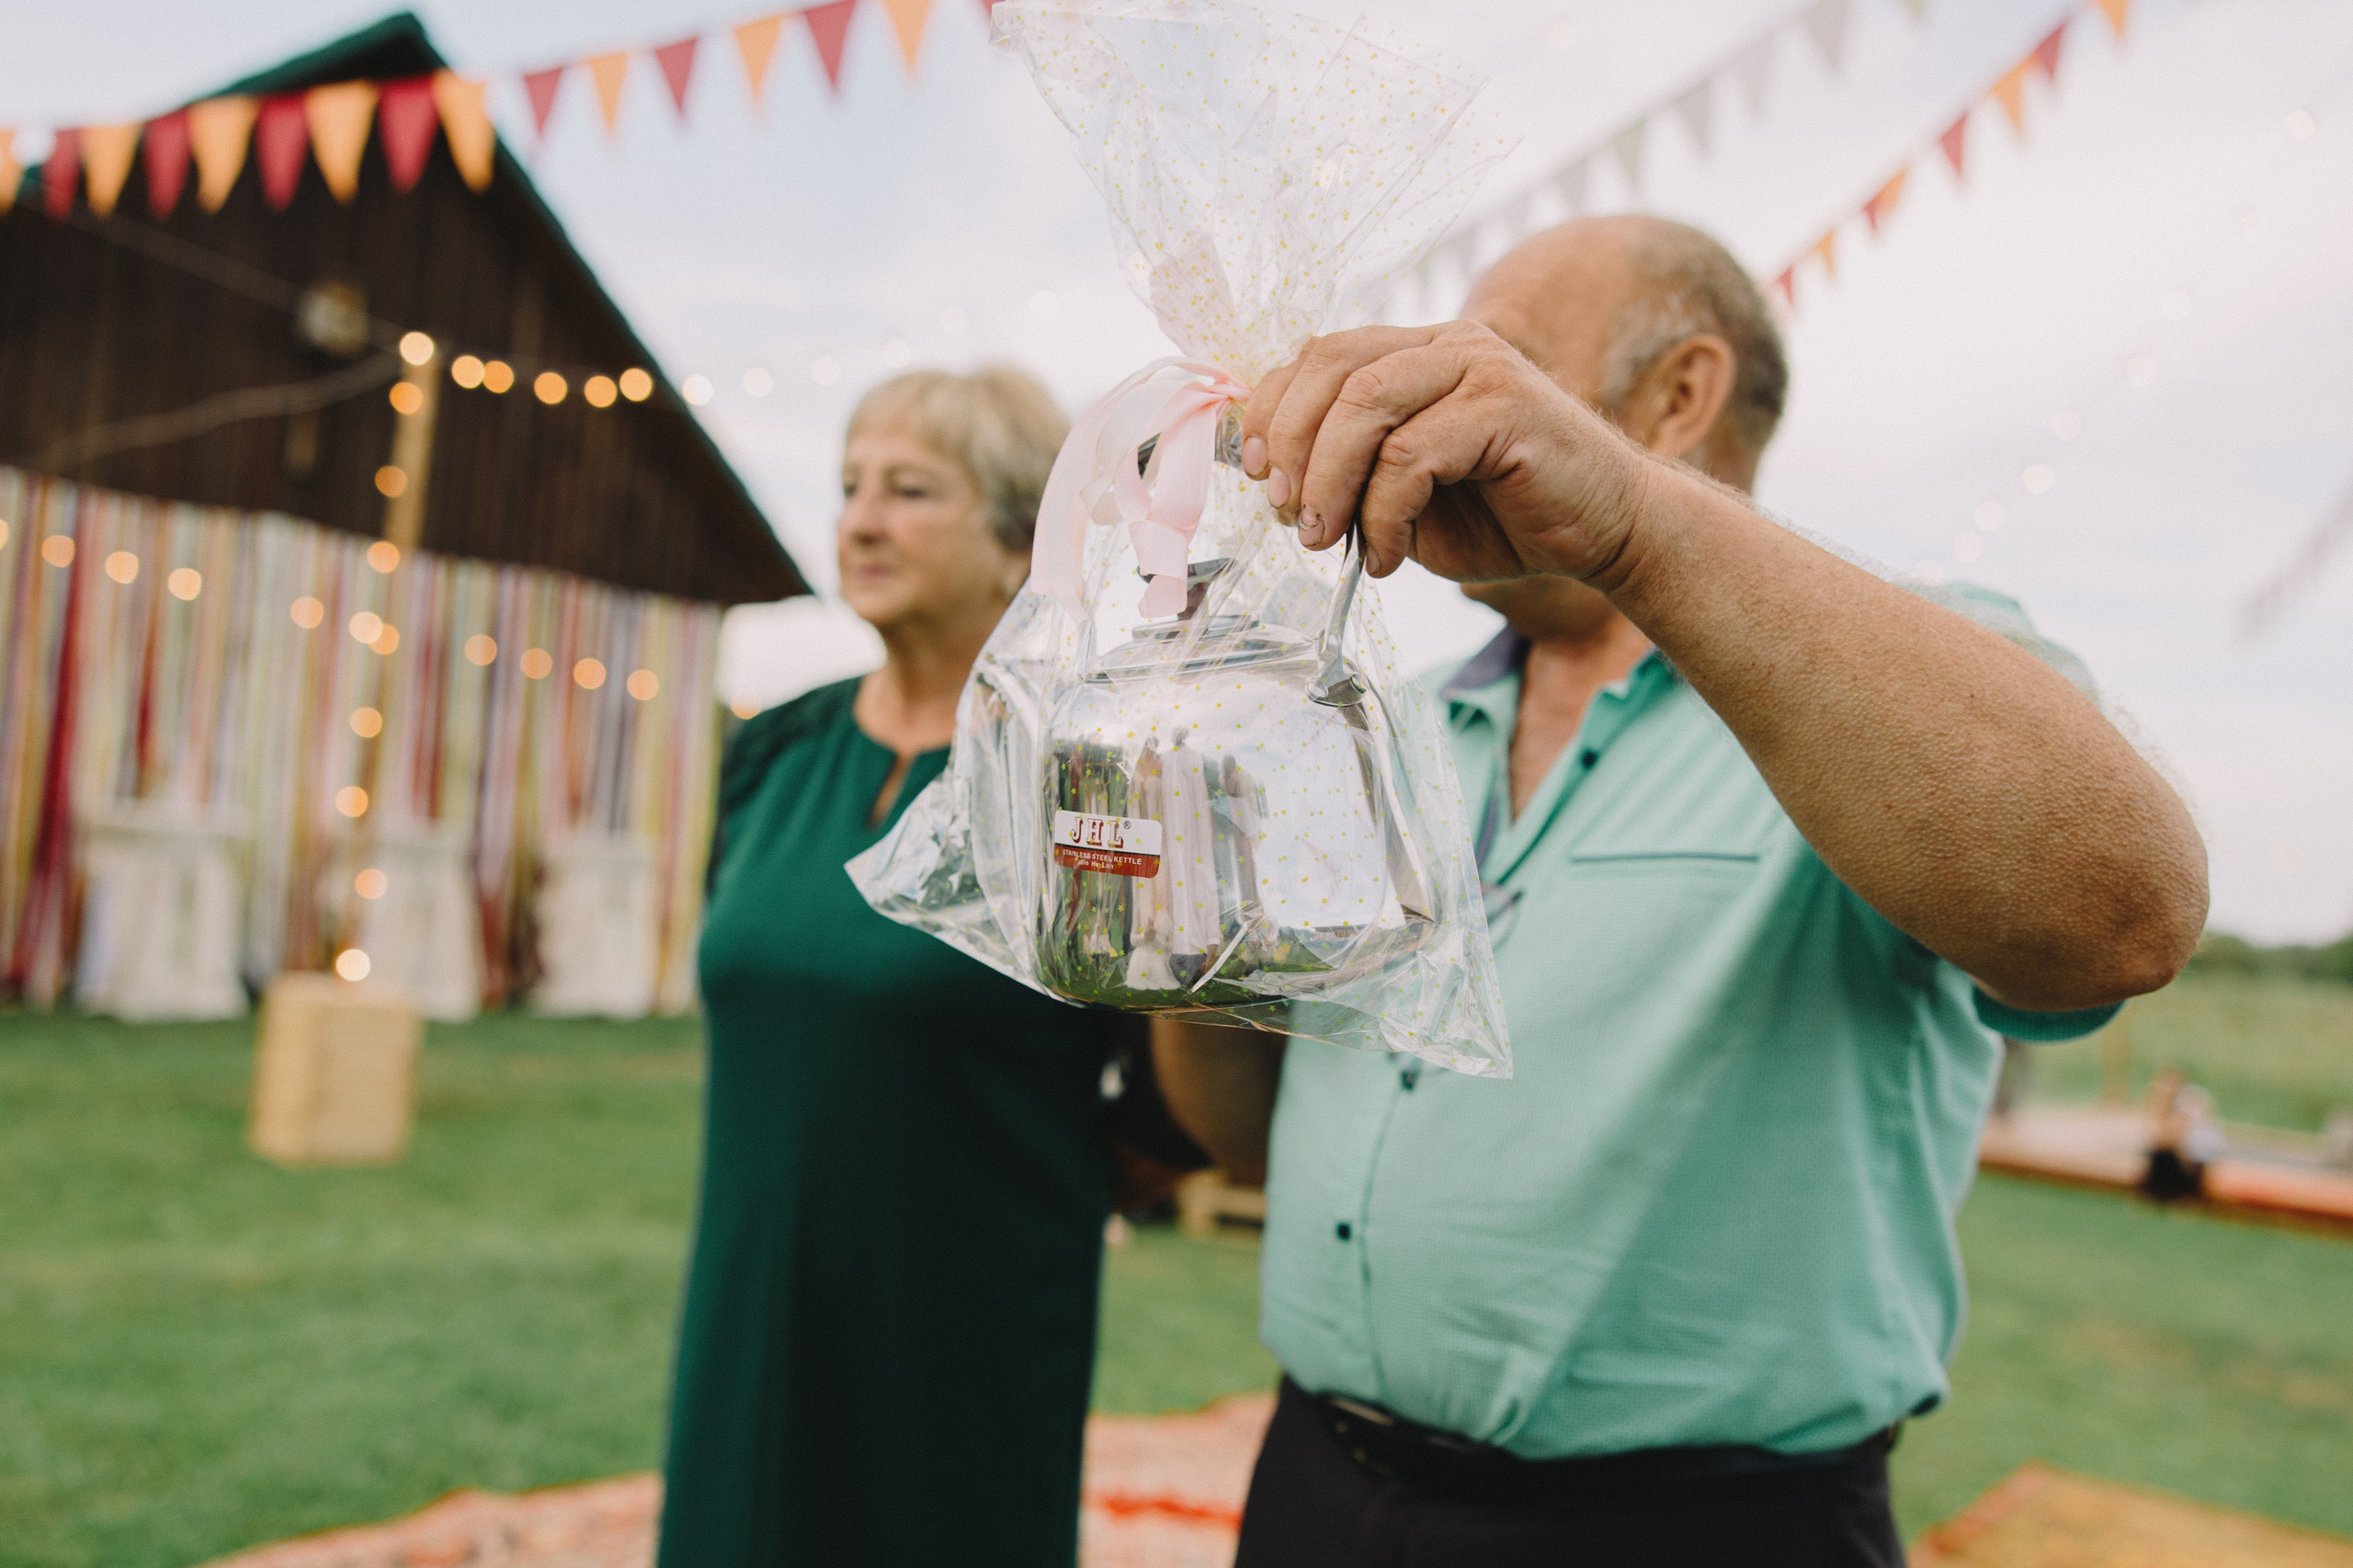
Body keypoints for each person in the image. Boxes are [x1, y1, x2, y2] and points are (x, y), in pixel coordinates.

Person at [1153, 216, 2210, 1566]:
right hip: (1315, 1488)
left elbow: (2126, 914)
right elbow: (1248, 1142)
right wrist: (1190, 922)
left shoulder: (1883, 685)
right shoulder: (1381, 728)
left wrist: (1637, 524)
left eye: (1503, 362)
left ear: (1680, 394)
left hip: (1697, 1529)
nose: (1435, 400)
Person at [660, 367, 1188, 1566]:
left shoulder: (1085, 777)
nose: (860, 518)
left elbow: (1179, 1087)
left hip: (966, 1325)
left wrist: (1031, 1190)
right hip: (749, 1308)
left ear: (1021, 544)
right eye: (851, 487)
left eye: (909, 490)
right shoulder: (774, 751)